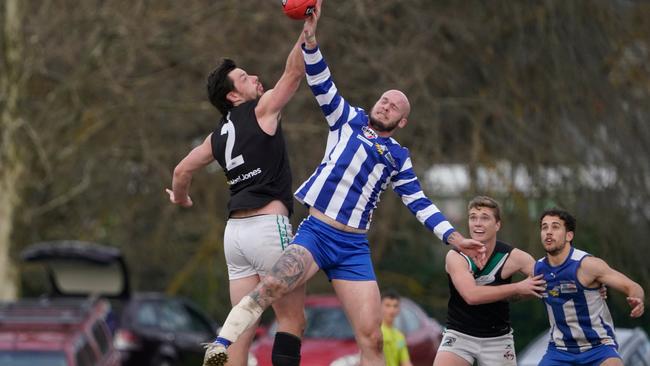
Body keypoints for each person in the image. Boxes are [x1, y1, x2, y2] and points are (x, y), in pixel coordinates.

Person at [201, 3, 485, 366]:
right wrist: (310, 36)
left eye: (395, 106)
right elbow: (320, 80)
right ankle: (221, 343)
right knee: (270, 287)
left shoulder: (398, 156)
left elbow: (420, 203)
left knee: (372, 338)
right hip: (316, 234)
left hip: (353, 248)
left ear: (403, 122)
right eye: (384, 99)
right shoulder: (347, 119)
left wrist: (454, 237)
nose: (386, 105)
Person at [166, 31, 308, 366]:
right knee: (292, 320)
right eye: (245, 77)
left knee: (240, 329)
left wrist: (181, 198)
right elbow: (294, 73)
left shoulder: (216, 137)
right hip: (268, 229)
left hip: (235, 237)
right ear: (233, 95)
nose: (255, 77)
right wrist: (307, 32)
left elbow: (181, 171)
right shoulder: (261, 110)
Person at [433, 196, 546, 366]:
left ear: (497, 224)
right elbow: (472, 296)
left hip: (498, 339)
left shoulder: (513, 256)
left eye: (485, 218)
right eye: (473, 217)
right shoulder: (456, 256)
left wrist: (592, 284)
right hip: (459, 335)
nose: (477, 223)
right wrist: (517, 288)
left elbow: (547, 280)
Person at [535, 208, 645, 366]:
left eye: (555, 227)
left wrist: (637, 299)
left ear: (569, 235)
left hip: (598, 348)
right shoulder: (537, 269)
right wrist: (517, 289)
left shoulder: (588, 265)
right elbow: (518, 293)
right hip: (559, 351)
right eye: (544, 227)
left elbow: (632, 286)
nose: (548, 232)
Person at [380, 290, 412, 366]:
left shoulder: (400, 336)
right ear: (380, 307)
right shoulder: (375, 332)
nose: (392, 310)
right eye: (387, 305)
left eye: (395, 306)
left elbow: (405, 362)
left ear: (399, 309)